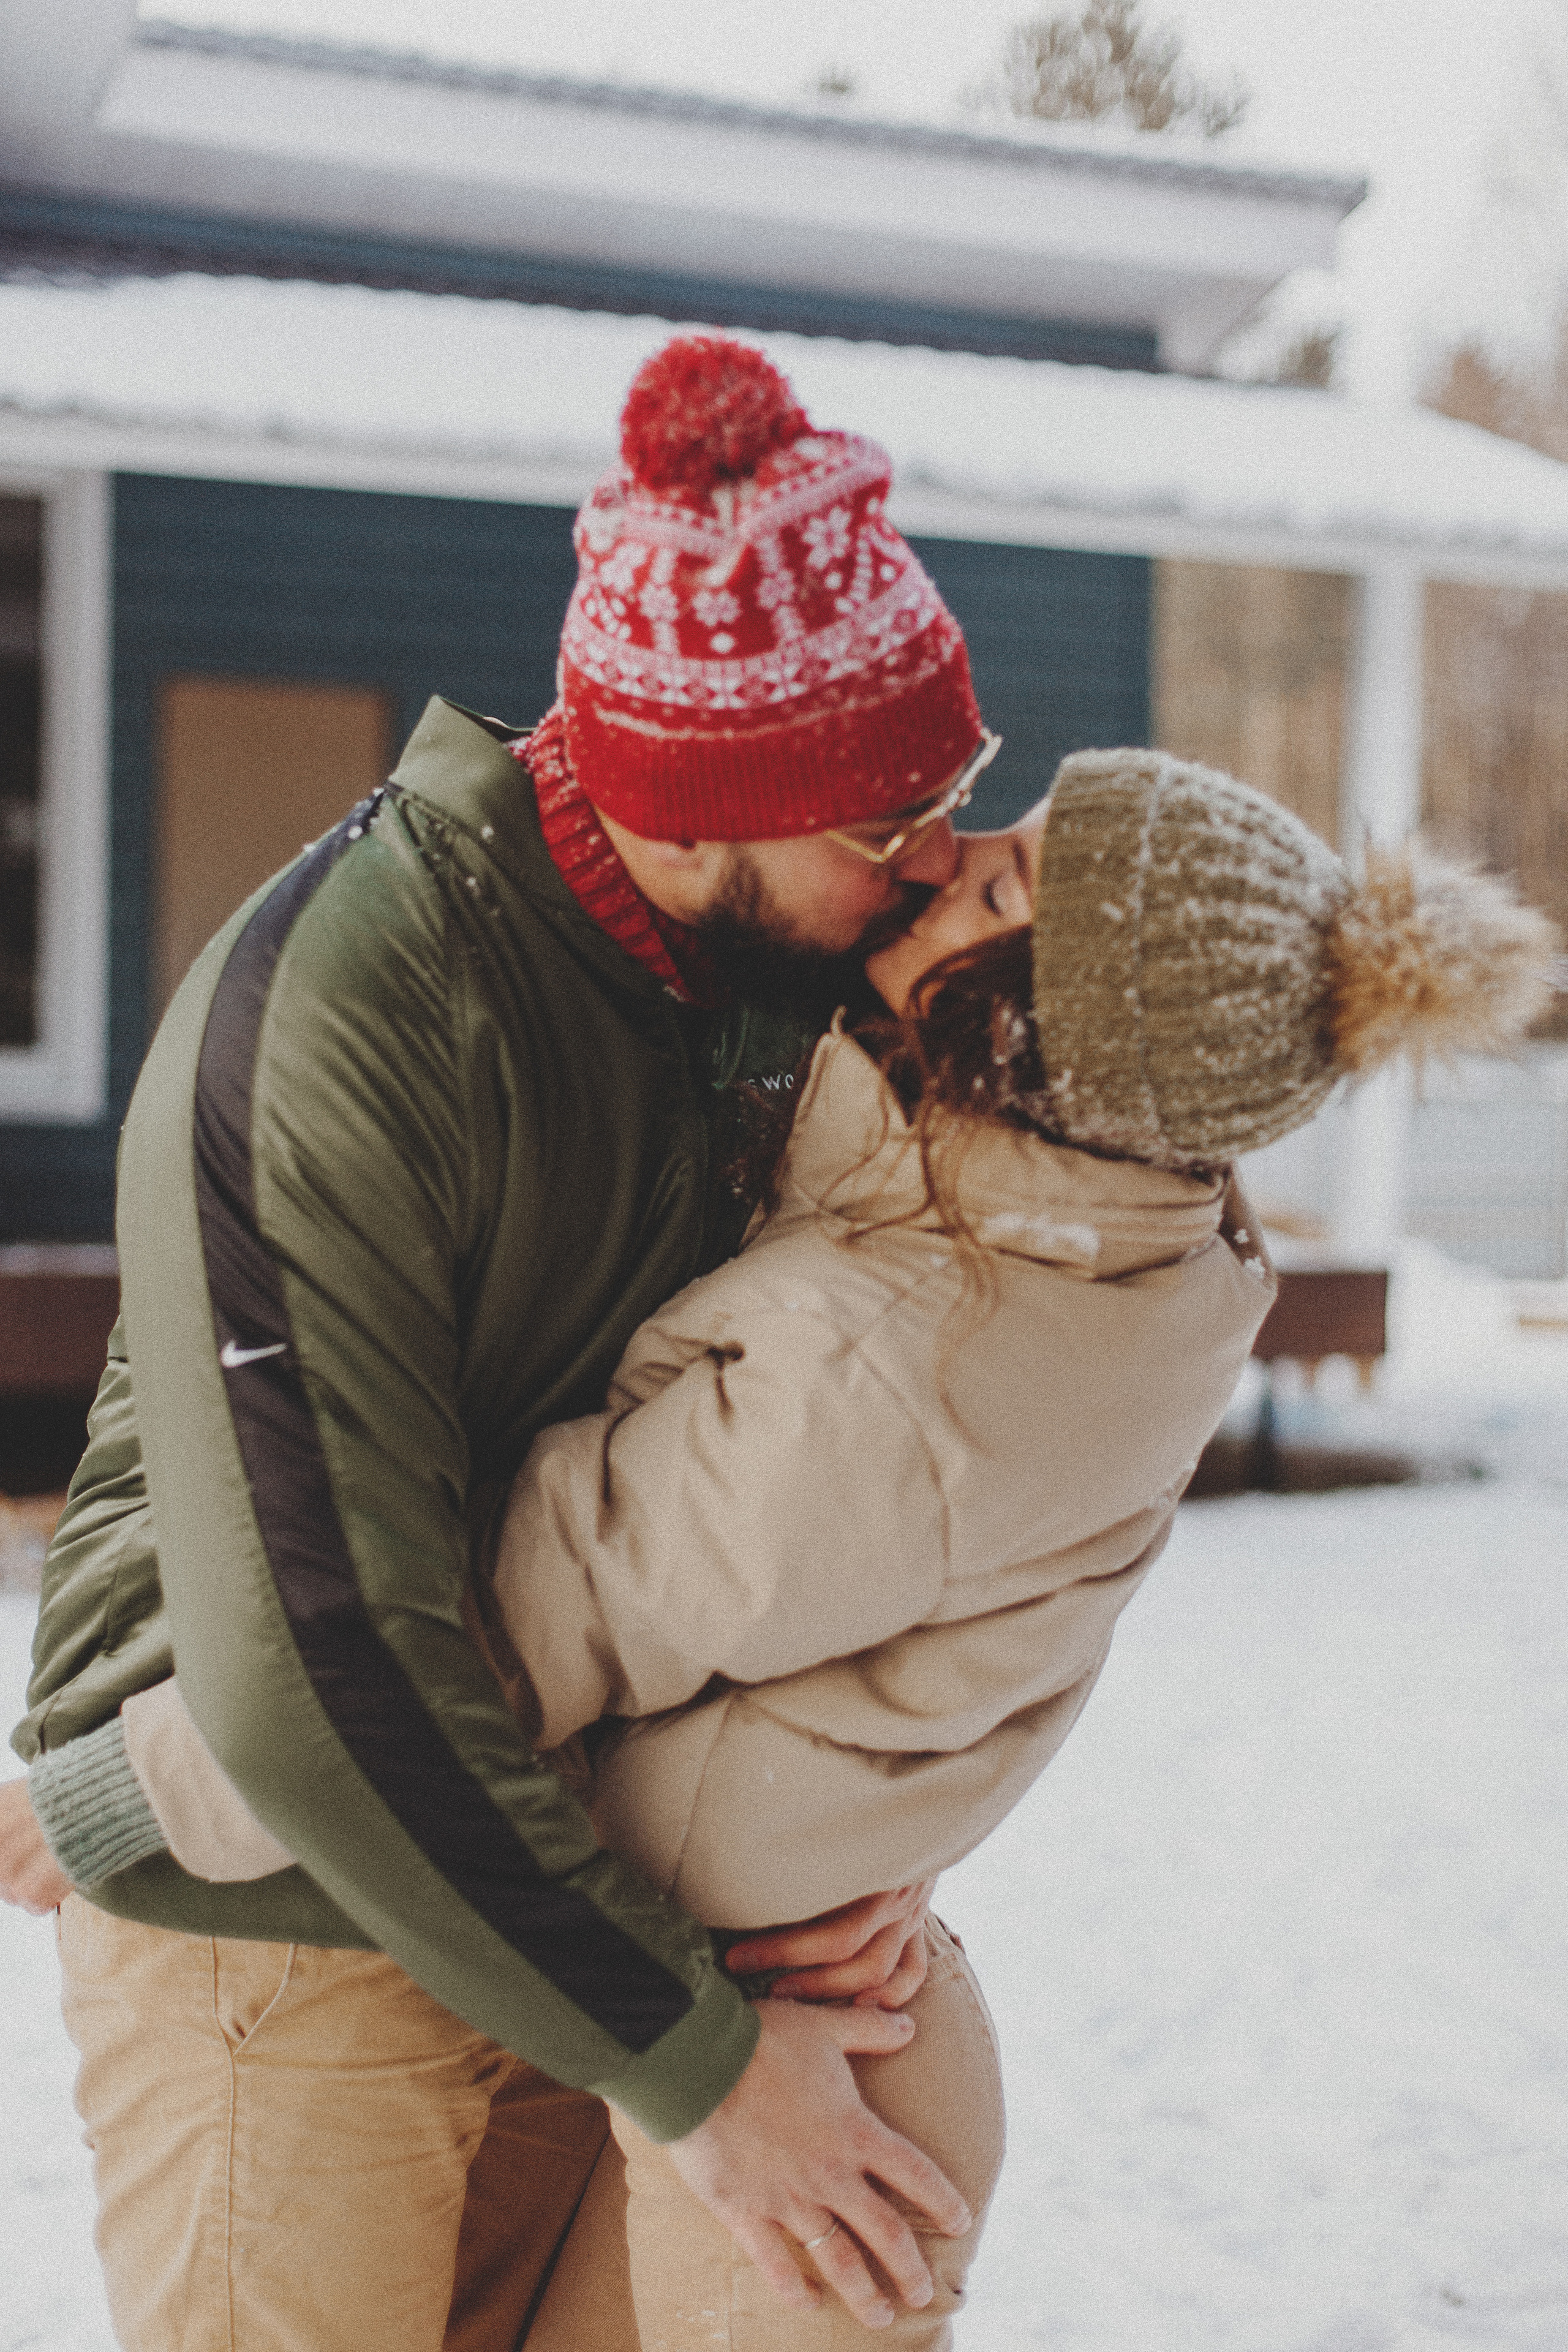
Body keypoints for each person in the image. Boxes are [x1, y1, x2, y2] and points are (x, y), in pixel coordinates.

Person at [13, 752, 1557, 2350]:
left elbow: (558, 1597)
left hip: (805, 2069)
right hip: (803, 1994)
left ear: (1037, 1034)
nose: (950, 854)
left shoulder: (908, 1349)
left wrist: (139, 1781)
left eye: (1004, 888)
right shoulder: (1120, 1229)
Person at [1, 334, 996, 2352]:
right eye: (890, 817)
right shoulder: (353, 1013)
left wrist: (824, 1842)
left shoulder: (784, 981)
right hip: (274, 1934)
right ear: (711, 805)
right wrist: (701, 2072)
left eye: (951, 796)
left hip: (590, 1876)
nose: (933, 863)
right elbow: (303, 1673)